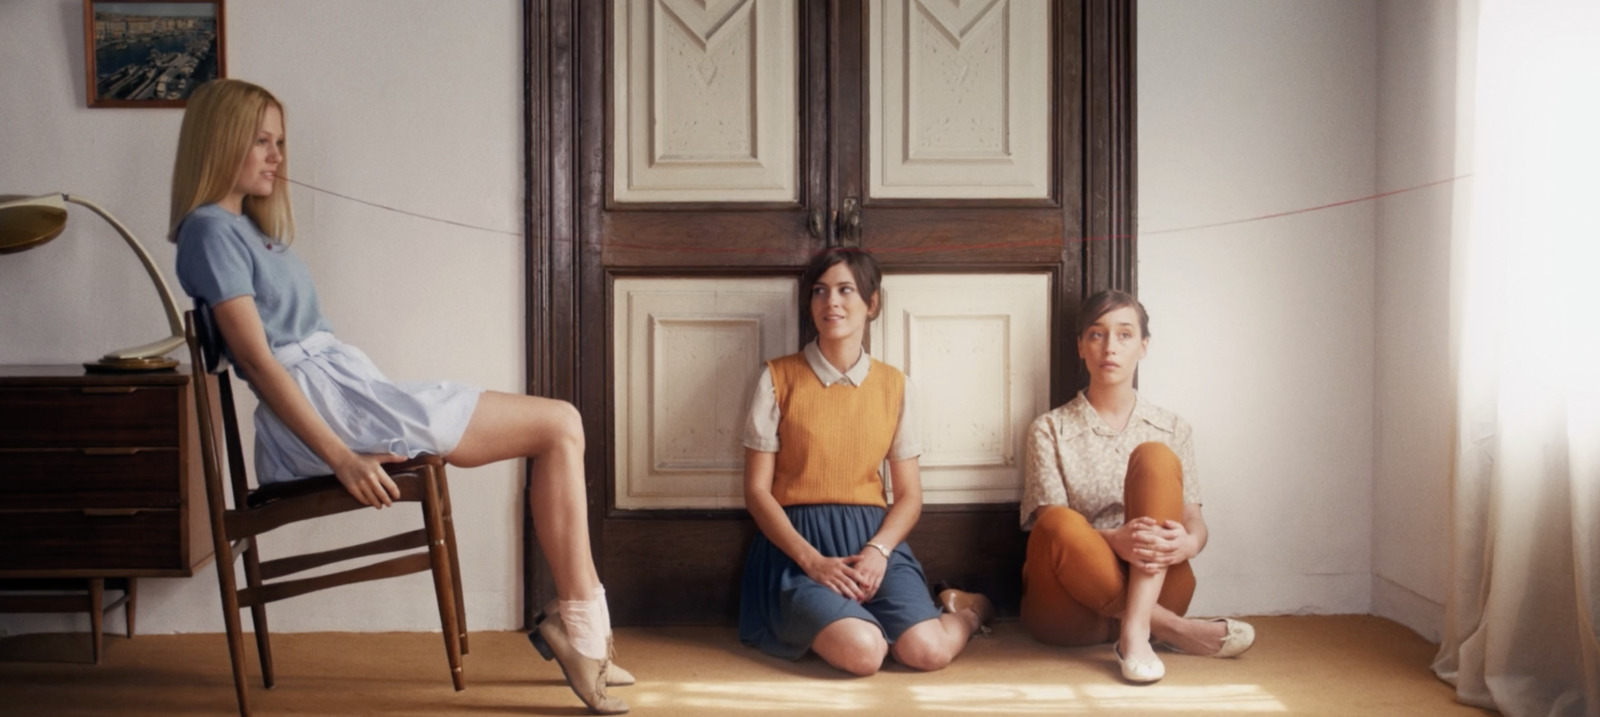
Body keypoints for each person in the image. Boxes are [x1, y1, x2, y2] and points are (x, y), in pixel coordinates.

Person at [167, 79, 630, 715]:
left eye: (281, 142)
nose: (277, 156)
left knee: (561, 425)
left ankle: (583, 629)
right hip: (324, 412)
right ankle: (581, 632)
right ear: (221, 144)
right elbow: (255, 359)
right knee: (558, 424)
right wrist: (341, 457)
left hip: (343, 391)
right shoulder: (209, 231)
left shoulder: (242, 227)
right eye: (262, 142)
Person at [738, 247, 994, 676]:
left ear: (871, 304)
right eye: (820, 292)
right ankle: (857, 623)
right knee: (864, 652)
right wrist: (813, 561)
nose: (830, 303)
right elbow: (757, 492)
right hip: (797, 548)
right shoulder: (777, 378)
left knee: (927, 651)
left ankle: (970, 611)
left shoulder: (895, 386)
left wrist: (879, 550)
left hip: (873, 542)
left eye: (845, 291)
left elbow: (910, 496)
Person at [1019, 289, 1255, 683]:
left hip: (1157, 587)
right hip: (1068, 607)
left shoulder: (1172, 428)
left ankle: (1134, 631)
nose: (1110, 347)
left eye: (1125, 334)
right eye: (1097, 334)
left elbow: (1194, 521)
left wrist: (1189, 543)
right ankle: (1170, 630)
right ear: (1080, 346)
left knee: (1155, 456)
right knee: (1058, 522)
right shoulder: (1049, 429)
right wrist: (1114, 540)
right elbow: (1051, 529)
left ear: (1144, 346)